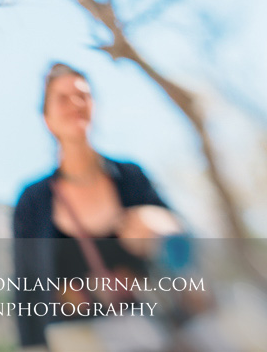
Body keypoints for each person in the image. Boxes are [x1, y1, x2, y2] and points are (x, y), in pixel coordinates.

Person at [12, 63, 182, 349]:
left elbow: (182, 248)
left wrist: (160, 224)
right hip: (75, 338)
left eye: (83, 95)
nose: (75, 104)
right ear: (47, 118)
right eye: (62, 98)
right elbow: (25, 288)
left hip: (149, 330)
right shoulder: (32, 200)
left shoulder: (131, 177)